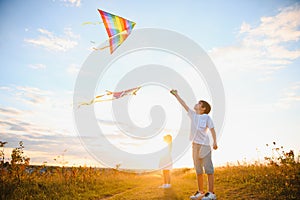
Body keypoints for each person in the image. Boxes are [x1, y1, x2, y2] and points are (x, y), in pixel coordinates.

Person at [170, 89, 218, 200]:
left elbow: (212, 129)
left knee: (209, 169)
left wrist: (215, 141)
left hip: (205, 146)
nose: (196, 104)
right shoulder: (193, 115)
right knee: (198, 170)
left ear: (203, 109)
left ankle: (211, 193)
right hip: (195, 146)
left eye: (199, 104)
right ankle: (201, 192)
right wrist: (177, 95)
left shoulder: (207, 118)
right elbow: (184, 104)